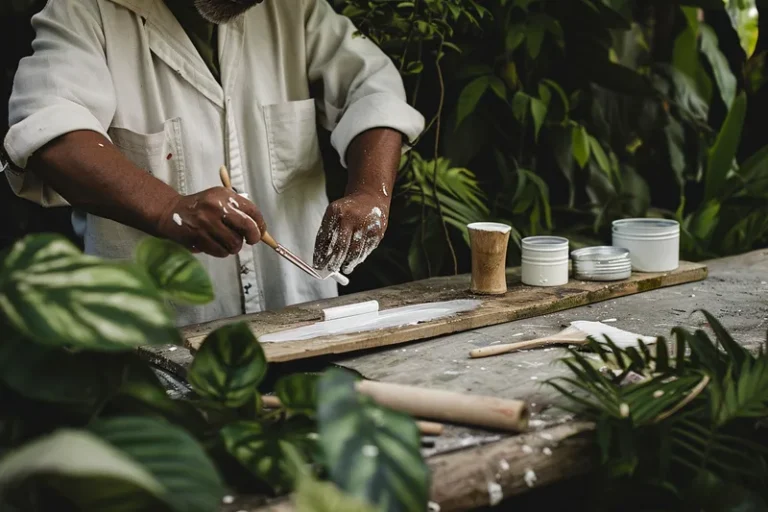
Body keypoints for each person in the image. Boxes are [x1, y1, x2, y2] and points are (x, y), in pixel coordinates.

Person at [1, 0, 424, 325]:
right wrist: (170, 209)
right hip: (159, 356)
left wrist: (371, 191)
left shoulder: (292, 9)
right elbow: (49, 132)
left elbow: (373, 90)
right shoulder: (86, 11)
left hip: (303, 322)